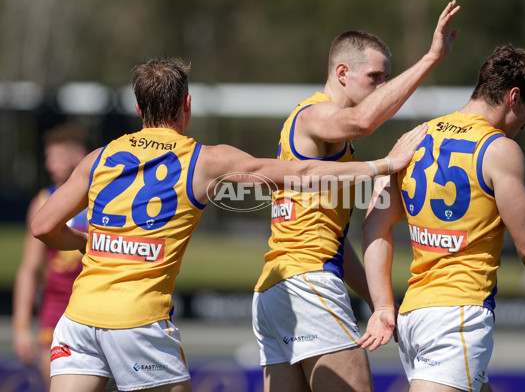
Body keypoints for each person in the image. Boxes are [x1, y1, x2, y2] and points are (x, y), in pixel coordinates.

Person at [30, 57, 428, 392]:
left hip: (77, 320)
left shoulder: (100, 157)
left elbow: (43, 224)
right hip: (137, 321)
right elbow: (303, 173)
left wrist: (84, 243)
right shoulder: (204, 161)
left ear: (139, 109)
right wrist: (384, 165)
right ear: (187, 104)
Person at [252, 0, 460, 392]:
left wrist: (382, 305)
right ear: (342, 72)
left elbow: (333, 245)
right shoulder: (314, 114)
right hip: (308, 283)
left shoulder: (333, 142)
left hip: (275, 289)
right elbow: (362, 121)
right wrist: (432, 58)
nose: (382, 87)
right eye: (376, 77)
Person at [358, 45, 525, 392]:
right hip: (457, 316)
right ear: (513, 97)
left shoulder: (414, 139)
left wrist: (383, 304)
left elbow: (373, 226)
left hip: (414, 316)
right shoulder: (499, 150)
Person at [12, 124, 89, 389]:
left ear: (78, 156)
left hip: (95, 308)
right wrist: (21, 327)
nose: (48, 164)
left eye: (56, 157)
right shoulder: (41, 202)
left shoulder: (101, 201)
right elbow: (29, 270)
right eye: (48, 157)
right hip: (54, 313)